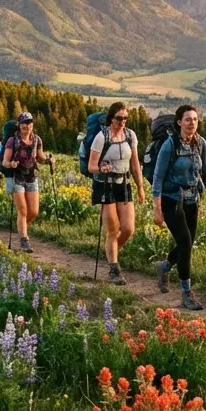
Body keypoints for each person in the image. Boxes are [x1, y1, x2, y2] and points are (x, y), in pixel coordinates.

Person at [152, 104, 206, 310]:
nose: (192, 123)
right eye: (188, 119)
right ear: (179, 122)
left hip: (193, 198)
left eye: (195, 119)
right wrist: (158, 209)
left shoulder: (201, 144)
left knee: (188, 244)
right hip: (171, 198)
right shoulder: (169, 145)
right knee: (184, 240)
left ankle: (164, 267)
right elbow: (158, 177)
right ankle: (186, 292)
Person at [87, 102, 144, 285]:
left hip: (124, 183)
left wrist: (140, 187)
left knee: (128, 229)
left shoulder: (130, 135)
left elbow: (135, 164)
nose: (123, 121)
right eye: (119, 118)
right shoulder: (100, 137)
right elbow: (91, 166)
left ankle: (111, 253)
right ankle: (113, 268)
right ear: (111, 119)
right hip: (105, 184)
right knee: (113, 229)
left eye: (125, 118)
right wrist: (102, 168)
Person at [2, 111, 54, 253]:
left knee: (34, 212)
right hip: (16, 178)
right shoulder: (12, 141)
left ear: (32, 125)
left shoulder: (37, 139)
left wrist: (48, 160)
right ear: (19, 125)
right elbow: (5, 161)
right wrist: (10, 164)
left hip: (32, 177)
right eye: (24, 123)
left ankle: (22, 228)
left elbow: (40, 157)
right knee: (23, 210)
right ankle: (24, 240)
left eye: (29, 123)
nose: (27, 126)